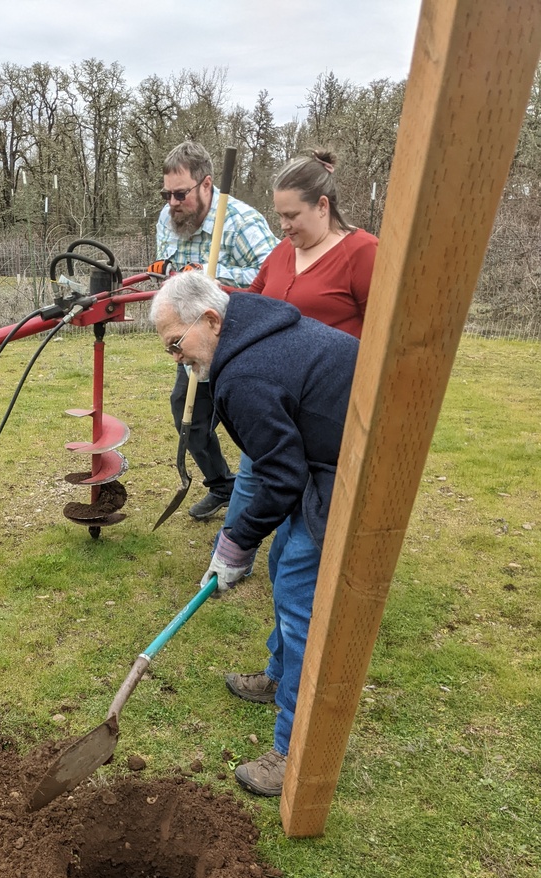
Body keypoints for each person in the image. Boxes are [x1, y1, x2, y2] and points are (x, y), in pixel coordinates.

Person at [150, 270, 359, 798]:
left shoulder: (246, 375)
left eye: (177, 344)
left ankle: (294, 753)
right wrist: (239, 546)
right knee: (282, 561)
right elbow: (274, 466)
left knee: (299, 598)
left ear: (212, 319)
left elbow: (277, 475)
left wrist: (234, 543)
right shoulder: (252, 323)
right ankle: (276, 675)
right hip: (324, 455)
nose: (176, 358)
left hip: (351, 469)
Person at [221, 148, 378, 706]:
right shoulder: (284, 256)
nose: (283, 228)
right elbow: (253, 306)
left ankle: (297, 693)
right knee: (283, 549)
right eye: (278, 217)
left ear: (324, 205)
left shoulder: (362, 254)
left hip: (332, 420)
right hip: (278, 410)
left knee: (297, 569)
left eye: (291, 216)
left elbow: (389, 332)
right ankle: (278, 670)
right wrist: (209, 293)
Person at [153, 140, 278, 521]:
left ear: (206, 185)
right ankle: (222, 484)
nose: (172, 202)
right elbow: (166, 270)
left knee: (251, 422)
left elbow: (274, 273)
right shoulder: (167, 219)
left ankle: (271, 491)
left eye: (180, 194)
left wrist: (209, 278)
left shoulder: (241, 221)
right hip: (195, 341)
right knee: (187, 416)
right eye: (166, 194)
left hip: (242, 341)